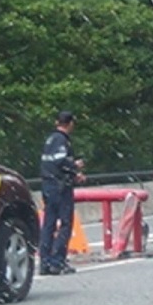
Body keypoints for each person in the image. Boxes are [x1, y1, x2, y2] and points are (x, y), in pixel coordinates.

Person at [39, 110, 85, 275]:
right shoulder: (61, 140)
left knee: (48, 224)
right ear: (70, 123)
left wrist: (72, 175)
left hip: (47, 185)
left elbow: (50, 164)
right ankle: (58, 261)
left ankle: (44, 261)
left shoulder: (49, 139)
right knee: (65, 223)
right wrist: (75, 166)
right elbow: (60, 162)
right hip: (60, 188)